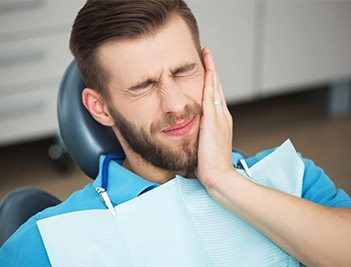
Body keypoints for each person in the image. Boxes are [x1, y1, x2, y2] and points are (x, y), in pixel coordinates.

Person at [1, 0, 350, 266]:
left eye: (184, 71)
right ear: (100, 108)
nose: (175, 104)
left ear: (206, 66)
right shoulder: (49, 240)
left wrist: (224, 182)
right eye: (143, 86)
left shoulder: (290, 176)